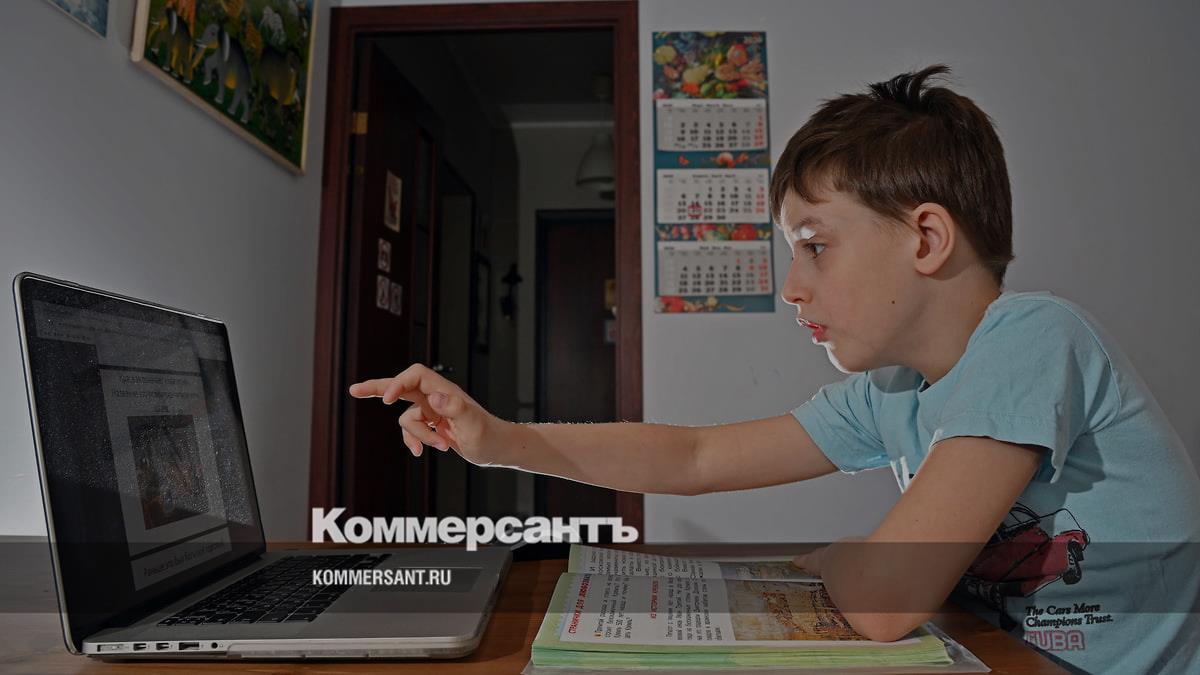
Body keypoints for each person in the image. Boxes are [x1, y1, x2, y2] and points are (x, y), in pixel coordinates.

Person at [349, 65, 1200, 674]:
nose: (792, 287)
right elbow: (696, 456)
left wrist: (843, 556)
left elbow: (886, 597)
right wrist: (502, 440)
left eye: (815, 246)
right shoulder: (893, 390)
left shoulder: (1034, 336)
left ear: (927, 238)